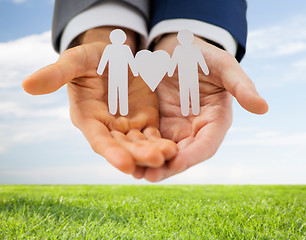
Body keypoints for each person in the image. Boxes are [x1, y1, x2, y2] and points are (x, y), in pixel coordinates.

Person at [22, 0, 269, 182]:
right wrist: (102, 33)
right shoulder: (112, 51)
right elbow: (115, 61)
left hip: (181, 76)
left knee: (188, 96)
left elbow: (194, 64)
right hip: (116, 79)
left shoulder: (189, 51)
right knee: (118, 96)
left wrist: (189, 40)